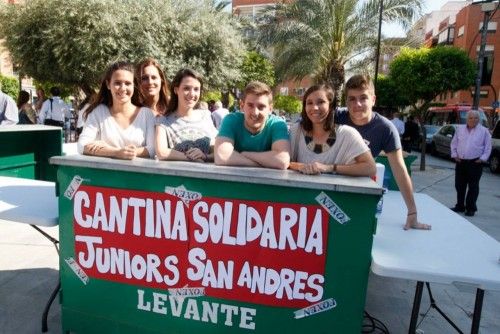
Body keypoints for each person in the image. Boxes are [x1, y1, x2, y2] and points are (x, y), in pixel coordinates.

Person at [336, 74, 430, 230]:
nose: (357, 104)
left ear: (373, 100)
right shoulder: (336, 117)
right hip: (328, 182)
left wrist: (412, 212)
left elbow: (400, 170)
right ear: (346, 101)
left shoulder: (385, 129)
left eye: (363, 98)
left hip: (358, 189)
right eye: (351, 99)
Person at [289, 84, 376, 176]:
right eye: (309, 103)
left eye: (320, 102)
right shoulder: (296, 131)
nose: (314, 107)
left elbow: (370, 168)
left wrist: (329, 168)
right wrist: (301, 167)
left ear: (331, 106)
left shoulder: (347, 134)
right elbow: (284, 162)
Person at [77, 61, 155, 159]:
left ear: (133, 86)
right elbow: (82, 146)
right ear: (108, 84)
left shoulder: (146, 114)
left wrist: (124, 152)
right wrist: (116, 152)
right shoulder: (98, 112)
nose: (123, 88)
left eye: (127, 83)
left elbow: (152, 150)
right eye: (117, 83)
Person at [214, 81, 290, 170]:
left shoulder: (277, 124)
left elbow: (282, 161)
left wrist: (244, 154)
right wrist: (264, 164)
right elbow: (222, 156)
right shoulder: (231, 120)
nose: (255, 112)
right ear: (242, 106)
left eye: (261, 107)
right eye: (250, 105)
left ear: (270, 109)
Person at [155, 68, 217, 162]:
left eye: (196, 89)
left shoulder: (206, 116)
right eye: (186, 88)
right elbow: (161, 152)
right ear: (176, 90)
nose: (192, 94)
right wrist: (191, 157)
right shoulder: (163, 121)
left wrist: (205, 156)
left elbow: (218, 152)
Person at [450, 110, 491, 217]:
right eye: (471, 118)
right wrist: (454, 155)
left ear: (479, 119)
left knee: (473, 187)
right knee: (459, 185)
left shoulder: (484, 131)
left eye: (475, 118)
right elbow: (454, 143)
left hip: (475, 163)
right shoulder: (460, 129)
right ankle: (460, 206)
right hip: (461, 162)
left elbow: (488, 147)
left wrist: (482, 159)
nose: (473, 120)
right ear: (467, 119)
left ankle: (471, 208)